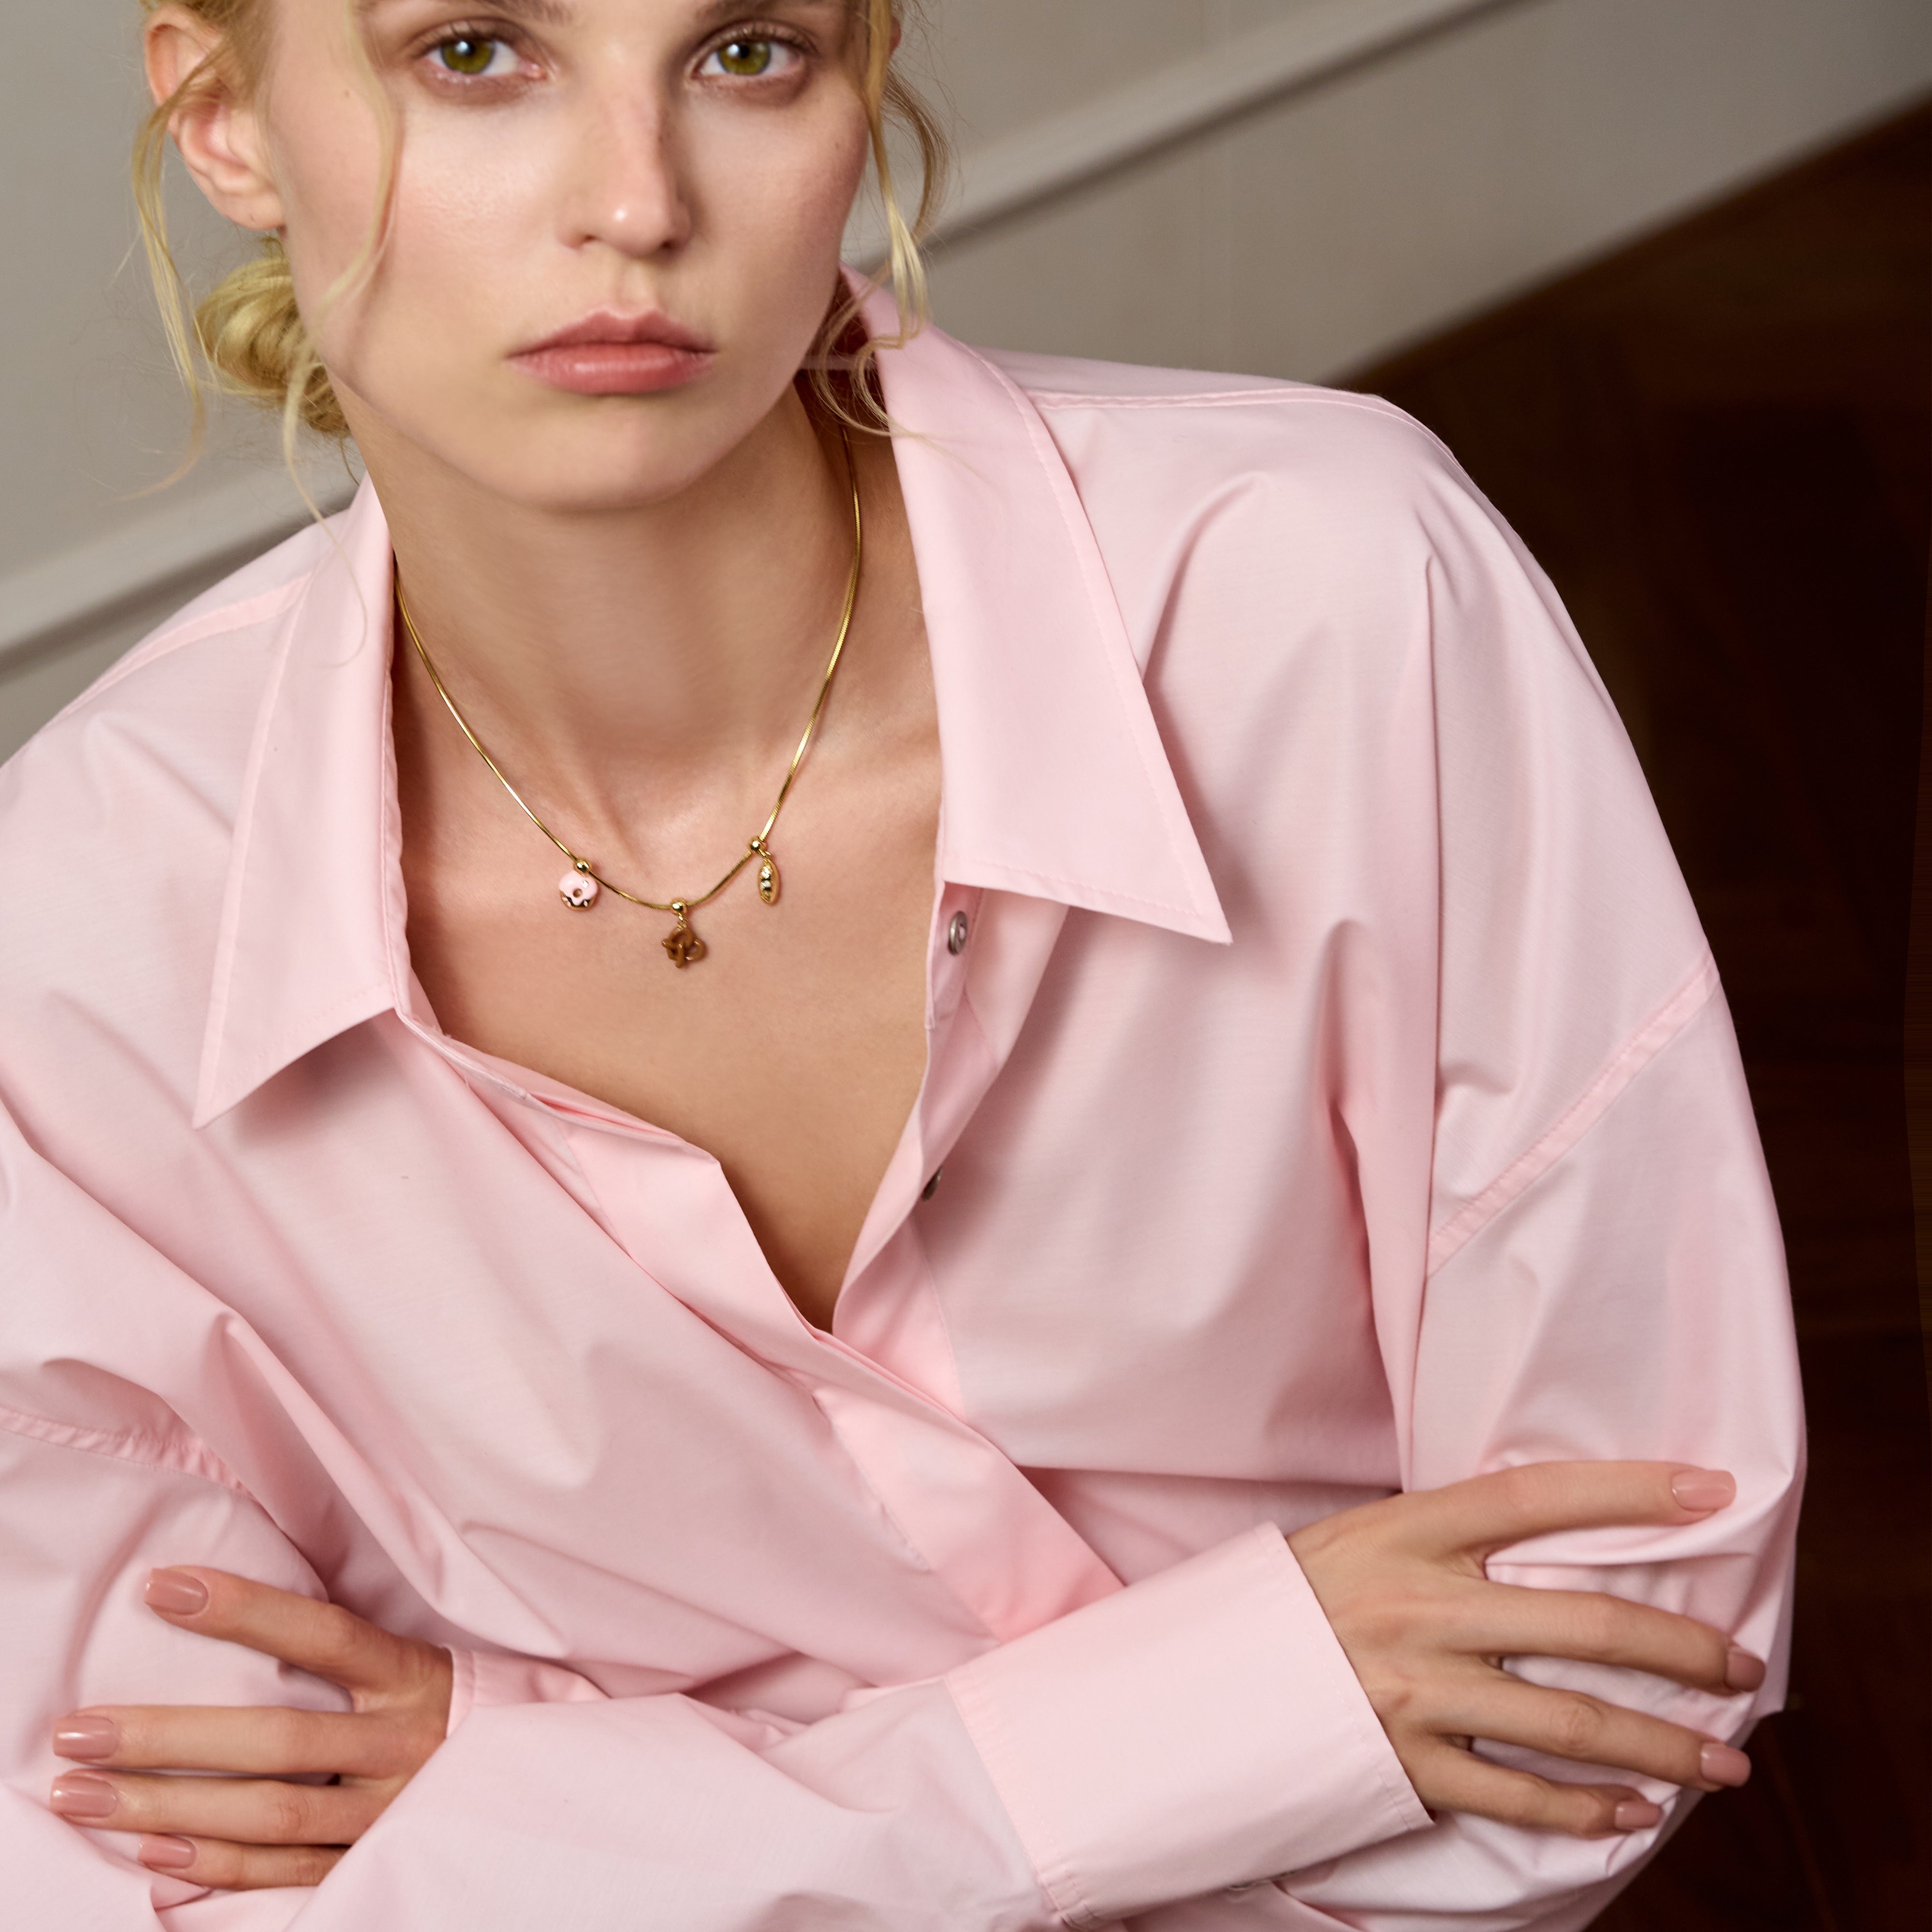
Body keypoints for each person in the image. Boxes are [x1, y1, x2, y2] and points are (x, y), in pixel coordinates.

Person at [0, 1, 1802, 1926]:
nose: (637, 201)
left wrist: (546, 1799)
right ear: (223, 117)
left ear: (863, 85)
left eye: (748, 53)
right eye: (475, 54)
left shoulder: (1335, 600)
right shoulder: (77, 942)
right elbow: (138, 1872)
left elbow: (1622, 1651)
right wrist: (1232, 1714)